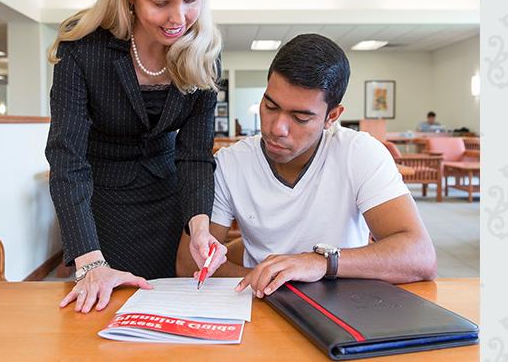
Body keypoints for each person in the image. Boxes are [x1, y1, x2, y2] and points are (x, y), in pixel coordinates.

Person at [46, 0, 227, 313]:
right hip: (98, 206)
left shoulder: (204, 51)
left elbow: (194, 154)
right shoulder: (85, 49)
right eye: (161, 3)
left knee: (168, 312)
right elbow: (67, 159)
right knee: (106, 315)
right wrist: (90, 261)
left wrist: (199, 226)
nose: (178, 18)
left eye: (191, 0)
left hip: (168, 200)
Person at [176, 34, 436, 298]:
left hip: (345, 303)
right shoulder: (231, 163)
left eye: (300, 118)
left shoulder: (359, 153)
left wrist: (321, 262)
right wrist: (273, 279)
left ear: (331, 116)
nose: (277, 128)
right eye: (270, 106)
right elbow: (188, 265)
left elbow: (421, 257)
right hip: (262, 304)